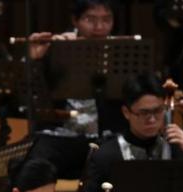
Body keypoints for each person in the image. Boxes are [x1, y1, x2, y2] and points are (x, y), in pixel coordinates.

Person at [24, 0, 123, 177]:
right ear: (75, 20)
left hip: (106, 137)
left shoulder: (122, 52)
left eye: (107, 19)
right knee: (35, 159)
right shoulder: (55, 47)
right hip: (62, 136)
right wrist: (35, 60)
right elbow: (28, 95)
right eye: (90, 19)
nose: (99, 27)